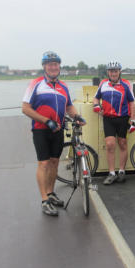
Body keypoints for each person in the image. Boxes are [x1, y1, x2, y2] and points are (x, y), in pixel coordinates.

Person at [22, 51, 85, 216]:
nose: (53, 67)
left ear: (59, 66)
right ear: (44, 67)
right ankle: (44, 200)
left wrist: (77, 116)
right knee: (43, 164)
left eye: (56, 64)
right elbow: (25, 108)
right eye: (50, 64)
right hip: (41, 129)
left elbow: (69, 106)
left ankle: (50, 193)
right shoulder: (36, 84)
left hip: (58, 129)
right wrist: (45, 120)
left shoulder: (64, 86)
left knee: (55, 163)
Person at [93, 61, 135, 185]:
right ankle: (111, 173)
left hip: (123, 118)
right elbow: (96, 97)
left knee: (122, 144)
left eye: (116, 71)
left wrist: (133, 121)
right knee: (110, 144)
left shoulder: (126, 84)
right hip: (108, 119)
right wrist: (96, 105)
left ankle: (121, 171)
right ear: (108, 72)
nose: (113, 73)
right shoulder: (103, 84)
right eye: (111, 71)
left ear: (119, 72)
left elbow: (132, 102)